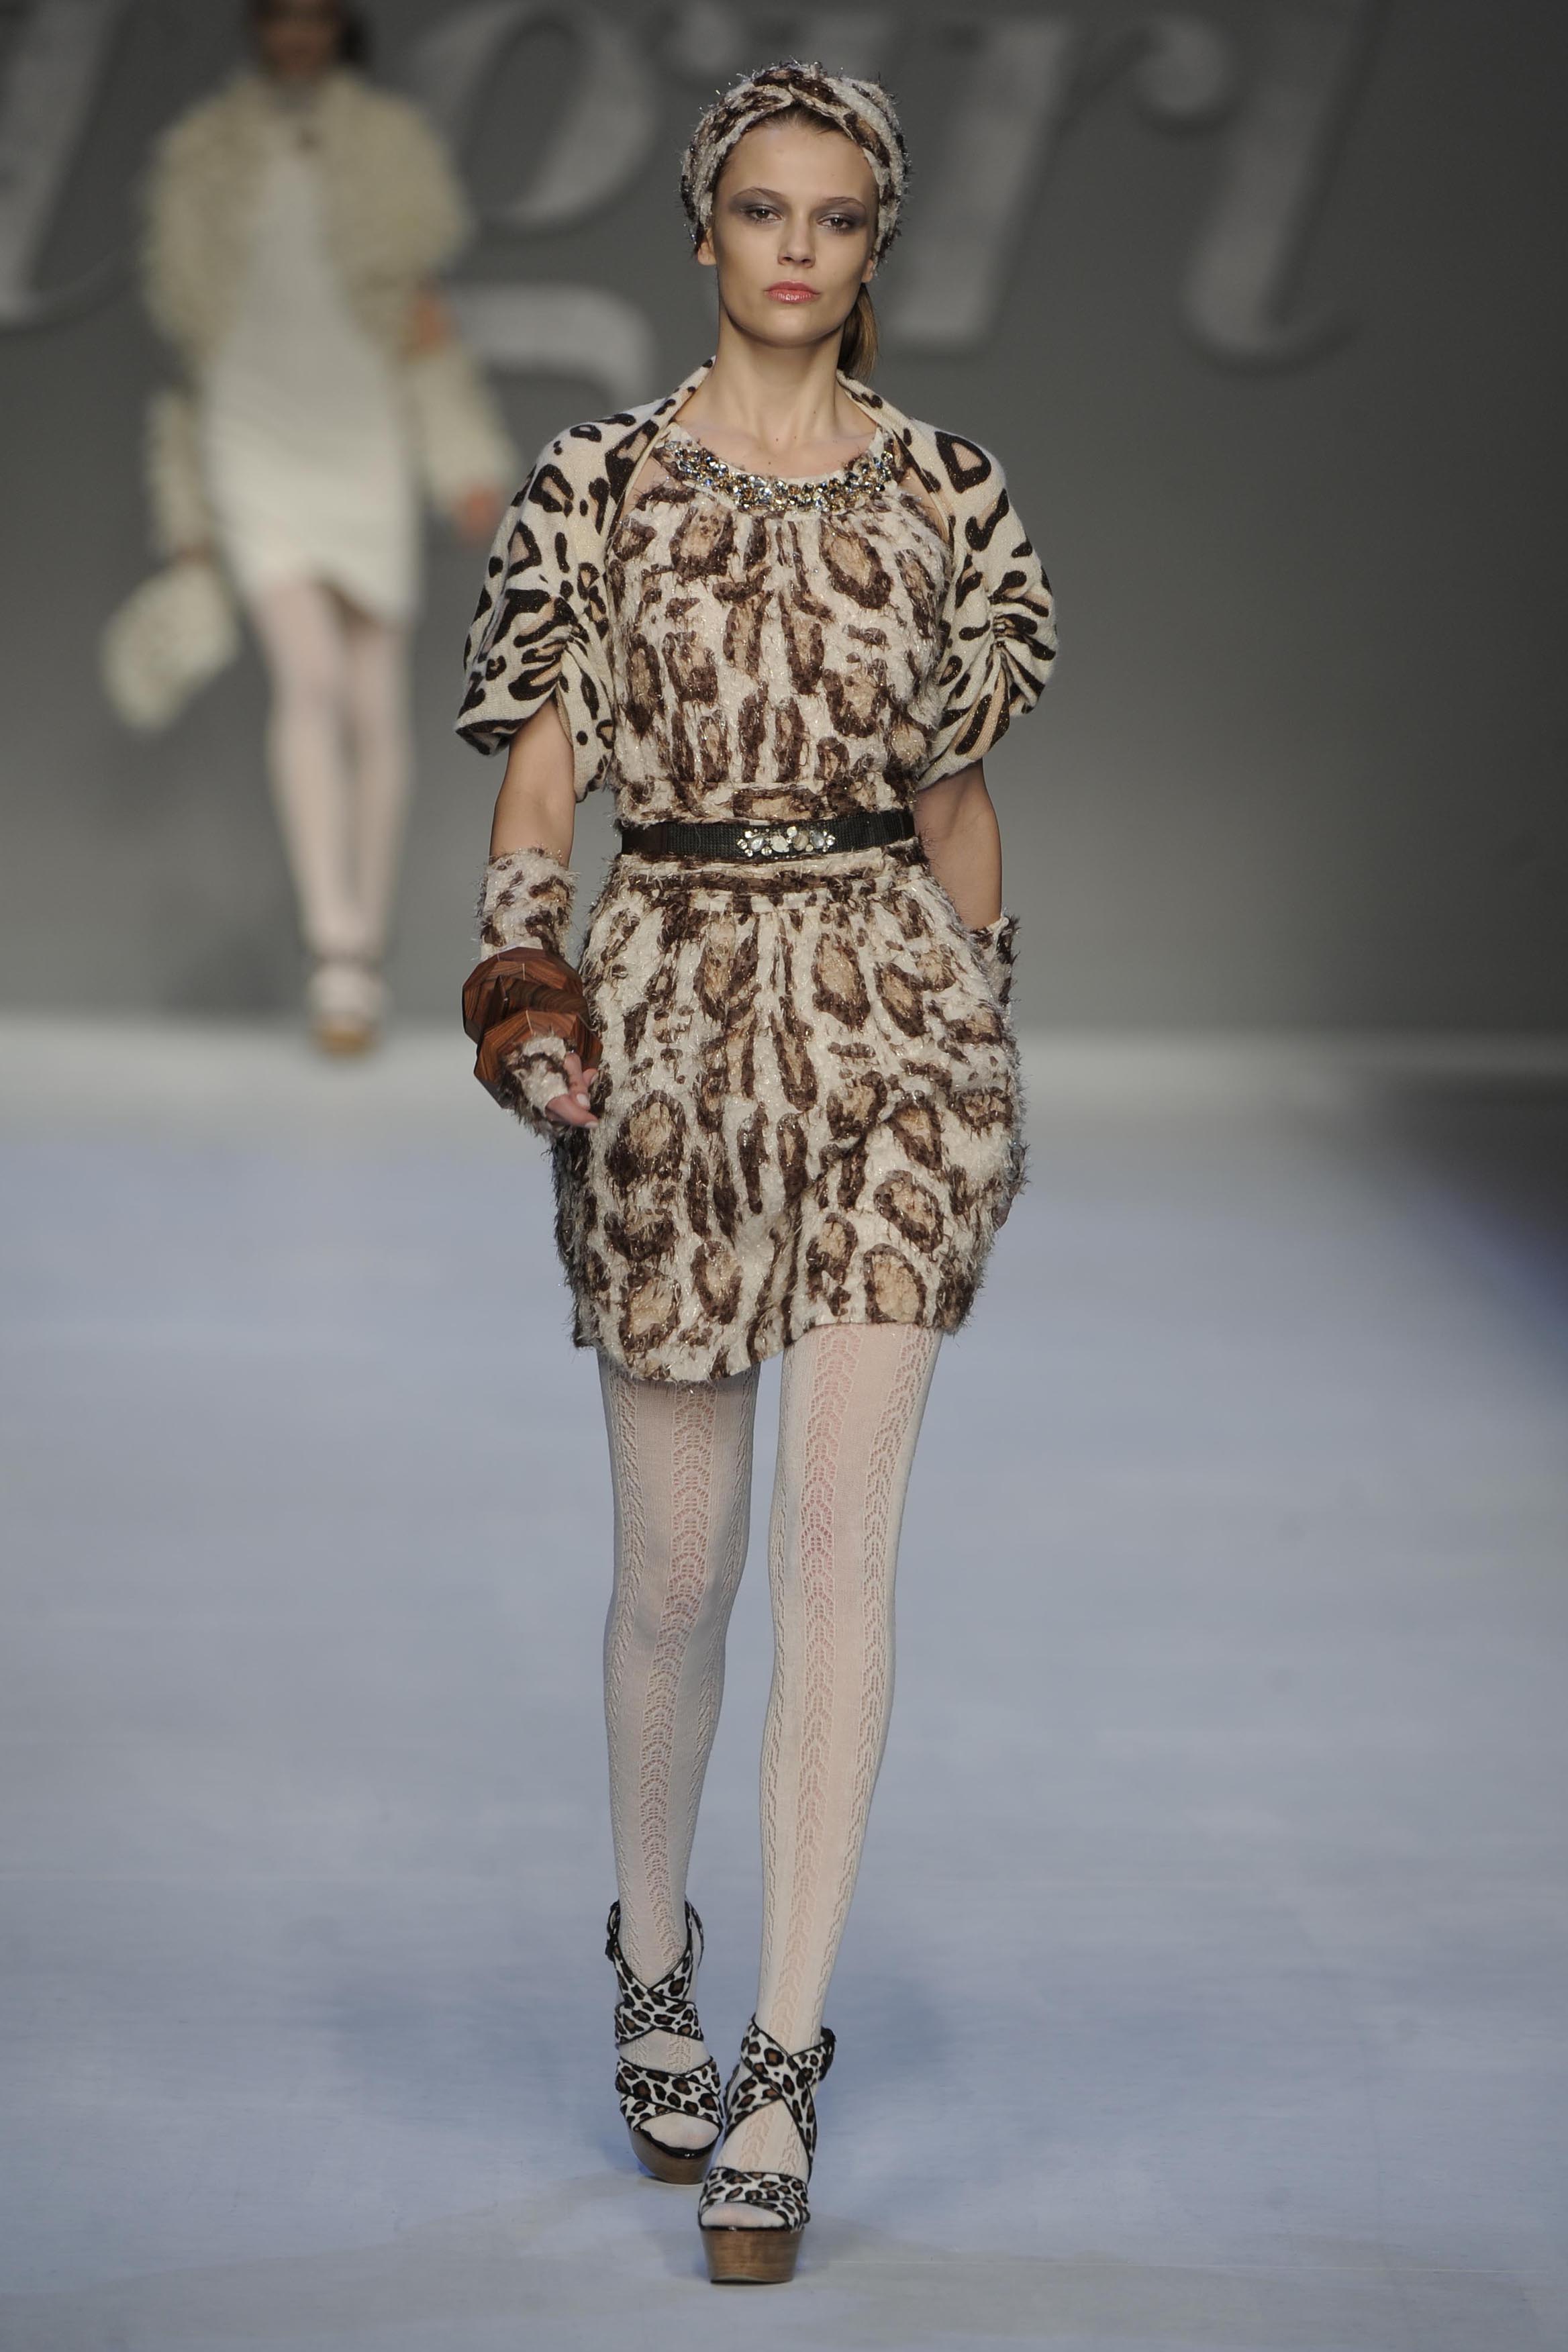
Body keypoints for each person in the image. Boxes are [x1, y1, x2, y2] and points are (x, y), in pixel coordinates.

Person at [457, 62, 1056, 2284]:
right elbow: (543, 777)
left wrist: (983, 1023)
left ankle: (786, 2061)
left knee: (836, 1555)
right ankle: (652, 1954)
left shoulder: (948, 493)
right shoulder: (598, 484)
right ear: (702, 231)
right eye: (761, 211)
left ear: (873, 247)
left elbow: (958, 796)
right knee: (682, 1569)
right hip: (674, 1029)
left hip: (894, 1025)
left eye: (835, 218)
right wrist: (523, 981)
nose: (796, 249)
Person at [140, 0, 515, 1052]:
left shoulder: (388, 144)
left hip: (360, 426)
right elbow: (186, 344)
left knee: (370, 699)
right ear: (258, 26)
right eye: (280, 16)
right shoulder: (203, 150)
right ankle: (336, 949)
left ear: (339, 26)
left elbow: (420, 320)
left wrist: (460, 458)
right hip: (249, 428)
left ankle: (363, 944)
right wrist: (185, 507)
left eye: (312, 16)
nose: (295, 34)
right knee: (307, 682)